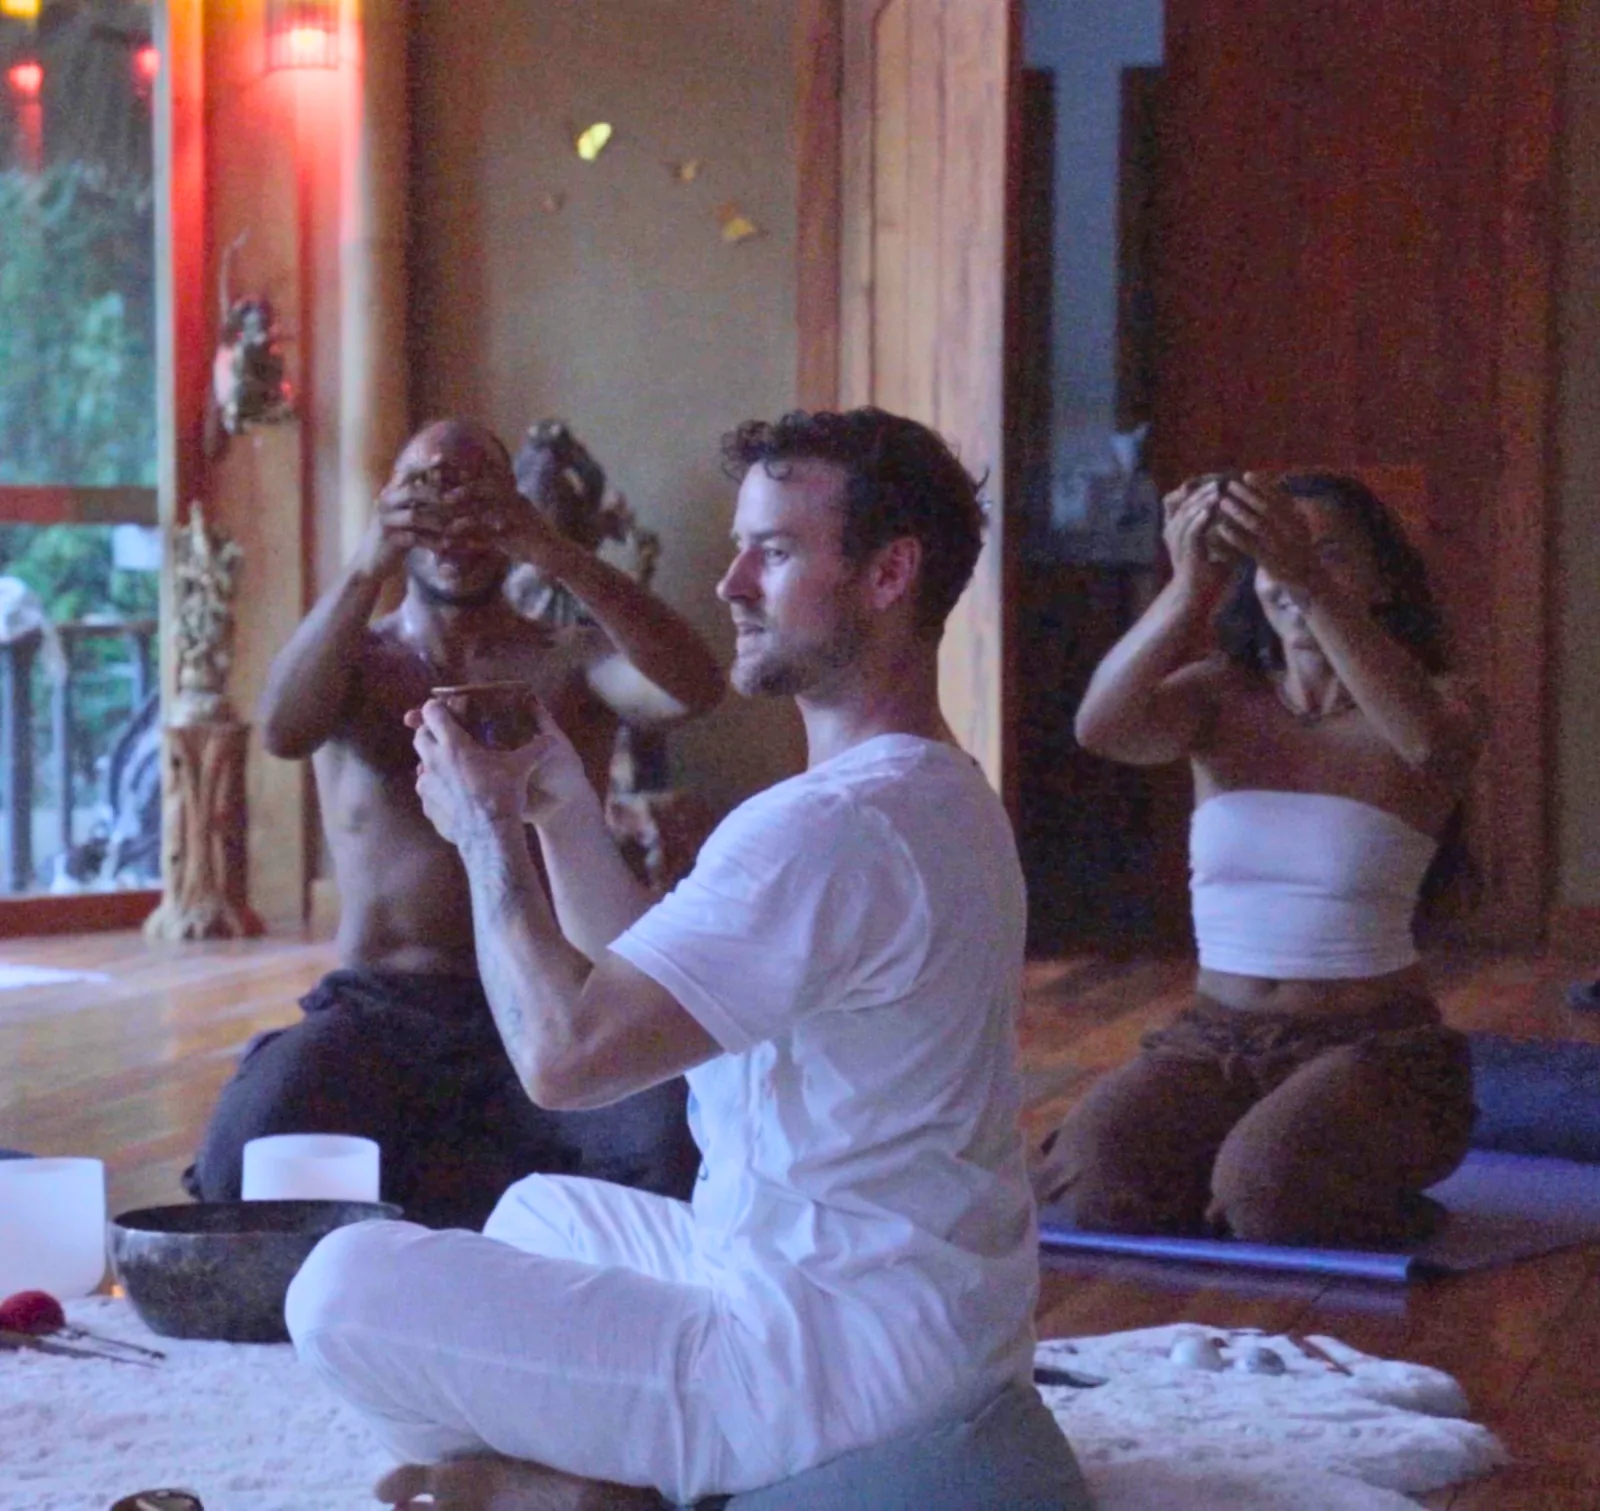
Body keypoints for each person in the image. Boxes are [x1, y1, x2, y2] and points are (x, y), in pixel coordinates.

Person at [285, 408, 1088, 1509]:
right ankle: (576, 1475)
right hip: (915, 1317)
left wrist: (487, 838)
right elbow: (651, 998)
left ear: (889, 571)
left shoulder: (827, 826)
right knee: (536, 1217)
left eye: (775, 549)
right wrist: (561, 805)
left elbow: (566, 1058)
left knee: (339, 1289)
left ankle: (587, 1490)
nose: (731, 584)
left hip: (820, 1365)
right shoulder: (932, 789)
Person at [185, 418, 724, 1228]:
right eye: (427, 495)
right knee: (248, 1149)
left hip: (554, 998)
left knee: (674, 1145)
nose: (454, 525)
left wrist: (555, 552)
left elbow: (696, 688)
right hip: (381, 1005)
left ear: (516, 510)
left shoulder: (568, 657)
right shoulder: (356, 659)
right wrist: (368, 562)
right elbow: (282, 730)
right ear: (392, 509)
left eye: (479, 500)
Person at [1032, 471, 1485, 1247]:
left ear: (1380, 580)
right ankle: (1244, 1156)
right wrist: (1188, 585)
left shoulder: (1441, 703)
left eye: (1332, 553)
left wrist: (1307, 581)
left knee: (1271, 1195)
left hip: (1375, 1046)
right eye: (1272, 557)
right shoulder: (1220, 696)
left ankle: (1289, 1168)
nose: (1293, 572)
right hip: (1213, 1038)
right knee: (1091, 1182)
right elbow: (1100, 728)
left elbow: (1428, 744)